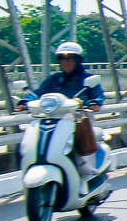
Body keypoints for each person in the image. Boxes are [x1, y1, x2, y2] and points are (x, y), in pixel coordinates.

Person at [20, 40, 105, 178]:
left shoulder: (88, 79)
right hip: (54, 119)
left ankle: (90, 171)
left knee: (79, 144)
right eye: (62, 59)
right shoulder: (54, 79)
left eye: (70, 59)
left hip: (79, 118)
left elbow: (98, 94)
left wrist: (95, 102)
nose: (66, 62)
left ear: (78, 60)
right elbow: (38, 93)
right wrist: (26, 101)